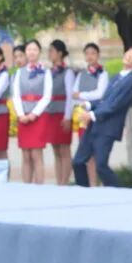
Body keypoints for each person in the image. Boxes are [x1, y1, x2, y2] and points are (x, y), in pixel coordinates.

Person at [73, 46, 132, 187]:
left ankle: (118, 193)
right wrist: (88, 104)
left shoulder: (131, 81)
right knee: (78, 162)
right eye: (129, 52)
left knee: (101, 166)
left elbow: (114, 105)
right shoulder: (117, 76)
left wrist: (91, 114)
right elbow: (104, 100)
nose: (129, 55)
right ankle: (83, 192)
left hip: (108, 129)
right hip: (95, 125)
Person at [12, 39, 52, 184]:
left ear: (39, 52)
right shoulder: (19, 72)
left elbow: (47, 96)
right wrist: (21, 114)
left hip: (38, 116)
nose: (32, 52)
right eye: (29, 49)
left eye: (35, 49)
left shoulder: (46, 72)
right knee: (26, 154)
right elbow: (16, 95)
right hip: (23, 115)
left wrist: (34, 114)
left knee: (36, 153)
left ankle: (39, 186)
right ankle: (26, 186)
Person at [73, 42, 108, 185]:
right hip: (82, 116)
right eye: (87, 53)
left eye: (93, 53)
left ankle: (95, 184)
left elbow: (100, 94)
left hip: (95, 115)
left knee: (95, 152)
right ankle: (86, 183)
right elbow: (74, 94)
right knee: (84, 150)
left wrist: (82, 95)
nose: (90, 56)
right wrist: (80, 97)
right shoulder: (81, 74)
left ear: (98, 55)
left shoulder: (103, 74)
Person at [47, 40, 76, 186]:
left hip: (62, 113)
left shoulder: (67, 72)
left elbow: (70, 96)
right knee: (55, 149)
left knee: (64, 149)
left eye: (52, 51)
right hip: (51, 113)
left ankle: (65, 182)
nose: (49, 53)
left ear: (60, 53)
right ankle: (59, 182)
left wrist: (67, 116)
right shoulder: (48, 72)